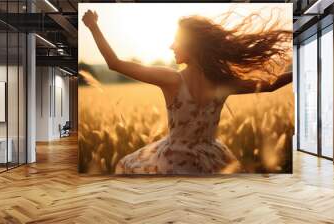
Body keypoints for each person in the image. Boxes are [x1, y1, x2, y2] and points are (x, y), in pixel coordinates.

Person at [82, 9, 292, 174]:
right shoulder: (222, 82)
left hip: (173, 160)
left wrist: (93, 27)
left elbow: (114, 63)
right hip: (213, 159)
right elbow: (272, 84)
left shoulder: (172, 79)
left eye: (177, 41)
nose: (171, 46)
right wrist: (302, 68)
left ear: (191, 46)